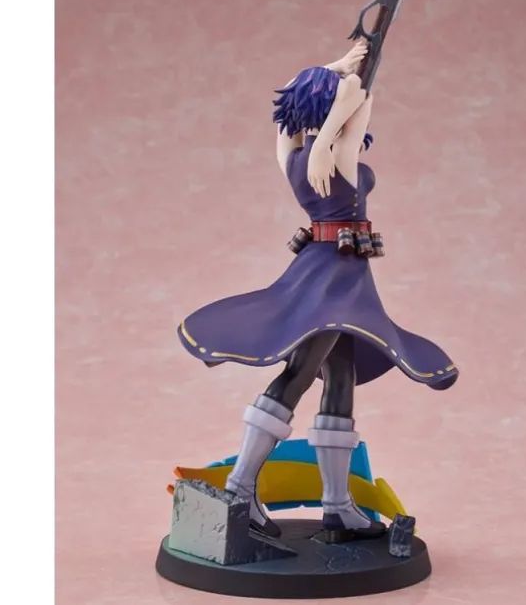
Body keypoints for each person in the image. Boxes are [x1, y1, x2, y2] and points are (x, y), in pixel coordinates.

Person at [177, 40, 459, 540]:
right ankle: (240, 489)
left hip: (333, 277)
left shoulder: (292, 156)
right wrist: (353, 85)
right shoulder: (332, 160)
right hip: (334, 282)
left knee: (340, 375)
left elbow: (298, 99)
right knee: (302, 370)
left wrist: (338, 66)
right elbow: (359, 102)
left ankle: (337, 506)